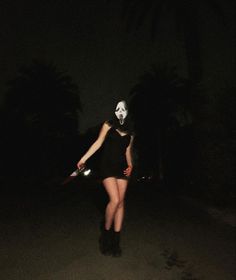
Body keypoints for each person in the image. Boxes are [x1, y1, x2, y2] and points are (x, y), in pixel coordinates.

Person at [77, 100, 134, 257]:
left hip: (122, 168)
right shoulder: (108, 125)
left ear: (127, 112)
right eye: (118, 109)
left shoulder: (130, 133)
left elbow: (128, 151)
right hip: (107, 166)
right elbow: (98, 143)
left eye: (123, 109)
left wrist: (131, 165)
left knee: (121, 203)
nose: (120, 111)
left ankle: (116, 242)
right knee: (114, 200)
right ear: (115, 112)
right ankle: (106, 234)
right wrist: (83, 158)